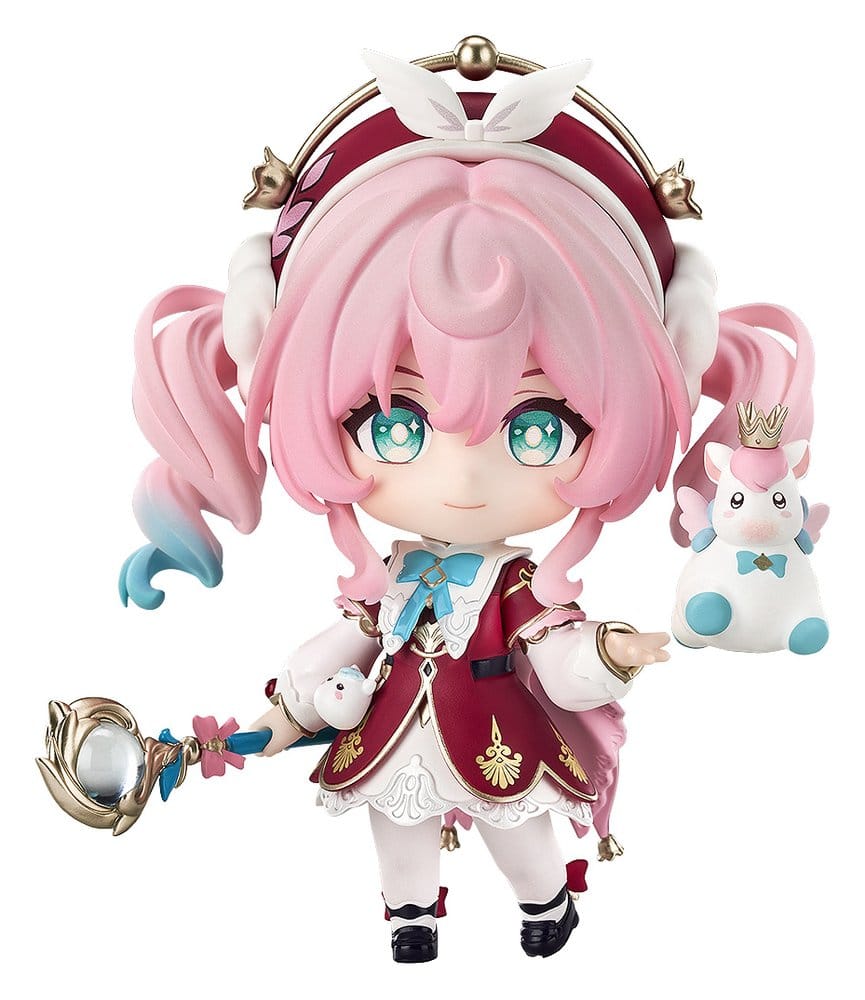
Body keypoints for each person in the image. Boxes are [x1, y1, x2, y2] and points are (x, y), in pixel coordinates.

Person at [120, 45, 814, 962]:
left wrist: (609, 653)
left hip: (494, 729)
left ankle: (544, 901)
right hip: (393, 729)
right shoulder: (389, 578)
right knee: (395, 827)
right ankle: (410, 912)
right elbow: (343, 645)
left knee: (513, 827)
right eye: (393, 423)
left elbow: (557, 660)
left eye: (538, 428)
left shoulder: (517, 586)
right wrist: (297, 699)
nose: (462, 477)